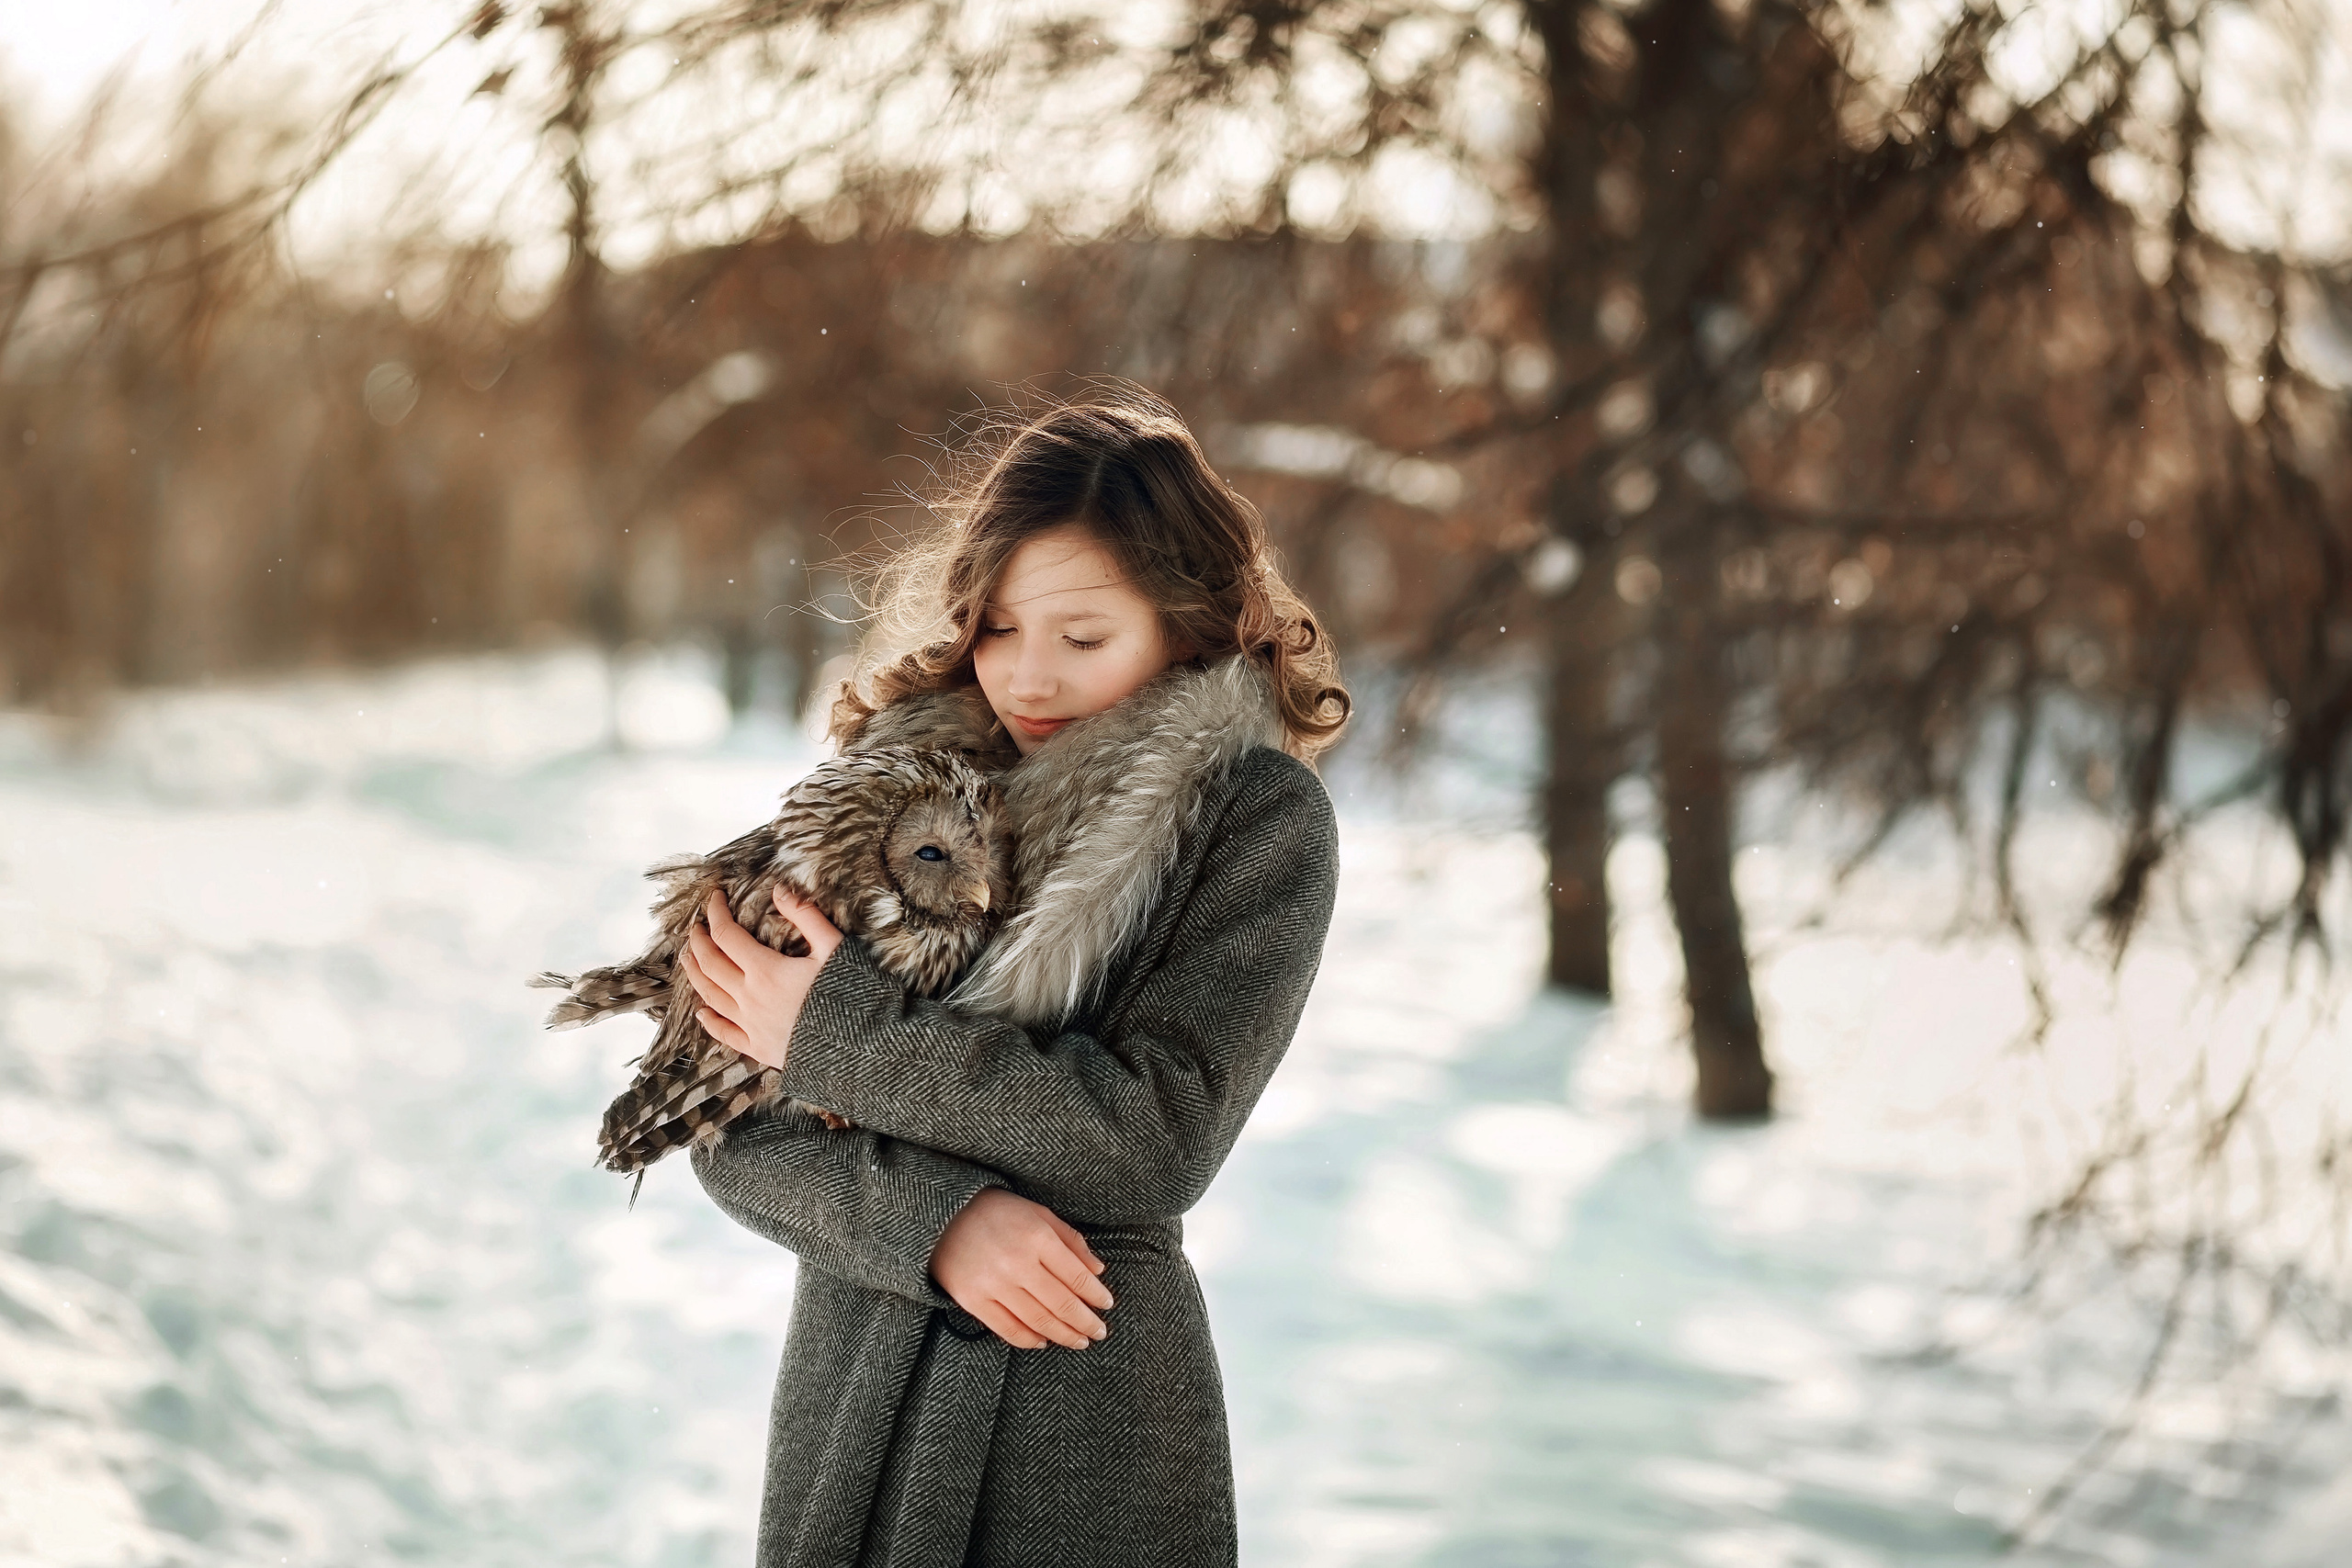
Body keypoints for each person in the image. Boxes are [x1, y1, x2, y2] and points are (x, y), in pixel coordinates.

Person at [679, 383, 1349, 1568]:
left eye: (1082, 639)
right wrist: (933, 1225)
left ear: (1186, 624)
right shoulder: (885, 798)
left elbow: (1154, 1140)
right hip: (857, 1400)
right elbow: (731, 1133)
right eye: (996, 629)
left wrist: (844, 1040)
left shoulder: (1252, 819)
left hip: (1075, 1416)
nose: (1028, 678)